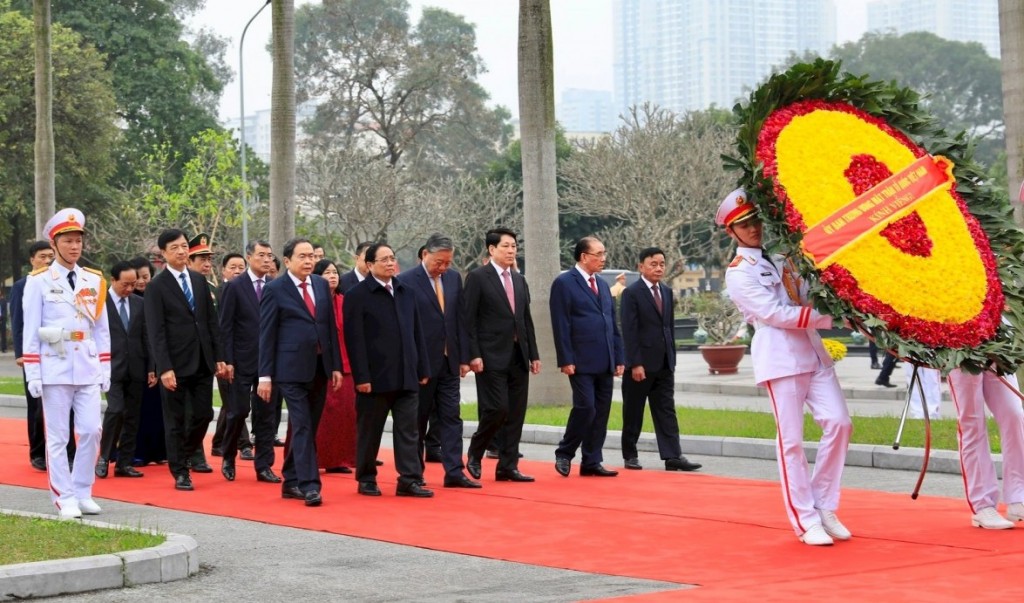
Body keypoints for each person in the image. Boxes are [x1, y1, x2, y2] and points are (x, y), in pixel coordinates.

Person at [719, 188, 853, 546]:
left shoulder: (781, 257)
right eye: (743, 225)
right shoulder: (739, 273)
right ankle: (805, 519)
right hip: (780, 357)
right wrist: (829, 317)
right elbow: (774, 313)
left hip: (813, 351)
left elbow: (806, 295)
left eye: (755, 220)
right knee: (791, 442)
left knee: (840, 423)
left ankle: (823, 503)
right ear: (731, 231)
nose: (753, 228)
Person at [22, 208, 111, 518]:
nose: (75, 247)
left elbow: (101, 328)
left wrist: (105, 366)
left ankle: (83, 490)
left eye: (78, 241)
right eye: (68, 241)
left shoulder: (93, 279)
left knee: (91, 430)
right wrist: (33, 372)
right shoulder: (39, 281)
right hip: (55, 365)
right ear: (54, 243)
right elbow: (31, 330)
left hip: (86, 365)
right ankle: (64, 497)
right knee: (58, 437)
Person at [257, 238, 343, 507]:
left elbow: (329, 328)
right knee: (303, 425)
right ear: (287, 261)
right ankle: (310, 486)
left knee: (308, 427)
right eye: (302, 256)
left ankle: (291, 480)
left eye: (311, 256)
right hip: (290, 370)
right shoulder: (274, 289)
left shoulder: (320, 284)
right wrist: (264, 376)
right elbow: (266, 334)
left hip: (319, 367)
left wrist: (335, 365)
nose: (309, 261)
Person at [343, 243, 432, 497]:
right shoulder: (357, 295)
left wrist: (422, 367)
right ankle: (366, 477)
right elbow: (354, 341)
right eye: (384, 260)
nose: (391, 263)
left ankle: (409, 479)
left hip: (406, 374)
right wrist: (361, 377)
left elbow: (417, 333)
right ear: (370, 265)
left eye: (392, 258)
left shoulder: (406, 291)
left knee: (409, 431)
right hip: (374, 378)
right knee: (370, 431)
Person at [145, 229, 225, 491]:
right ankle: (180, 472)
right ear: (163, 253)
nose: (181, 251)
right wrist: (164, 367)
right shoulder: (156, 286)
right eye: (175, 248)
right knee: (175, 420)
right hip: (175, 364)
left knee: (204, 414)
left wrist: (219, 356)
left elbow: (210, 322)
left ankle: (184, 453)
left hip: (202, 359)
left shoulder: (199, 280)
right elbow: (156, 331)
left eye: (183, 246)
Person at [463, 228, 541, 482]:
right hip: (490, 356)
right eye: (505, 246)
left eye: (514, 246)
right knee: (497, 408)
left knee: (516, 413)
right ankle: (476, 451)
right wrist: (473, 354)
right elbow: (469, 320)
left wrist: (534, 354)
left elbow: (525, 319)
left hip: (518, 355)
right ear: (492, 249)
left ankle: (508, 466)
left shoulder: (519, 280)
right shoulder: (478, 278)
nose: (511, 251)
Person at [619, 247, 702, 472]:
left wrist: (671, 358)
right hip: (640, 365)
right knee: (633, 411)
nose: (658, 268)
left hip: (664, 363)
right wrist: (635, 363)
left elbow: (669, 328)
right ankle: (630, 455)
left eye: (662, 264)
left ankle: (673, 456)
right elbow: (629, 331)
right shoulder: (632, 293)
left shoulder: (666, 291)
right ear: (641, 267)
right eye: (653, 264)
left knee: (666, 410)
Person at [407, 234, 478, 488]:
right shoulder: (406, 281)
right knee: (417, 420)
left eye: (448, 262)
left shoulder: (453, 278)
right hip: (422, 365)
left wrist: (463, 357)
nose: (444, 267)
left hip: (449, 362)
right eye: (439, 262)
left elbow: (459, 319)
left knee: (452, 417)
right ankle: (414, 474)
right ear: (425, 254)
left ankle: (454, 472)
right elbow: (406, 327)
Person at [551, 236, 625, 478]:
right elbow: (561, 324)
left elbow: (612, 324)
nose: (603, 258)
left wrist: (619, 357)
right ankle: (565, 452)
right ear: (584, 257)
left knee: (601, 412)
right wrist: (565, 359)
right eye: (598, 254)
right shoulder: (564, 283)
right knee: (586, 407)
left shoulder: (602, 285)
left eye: (604, 253)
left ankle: (592, 460)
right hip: (580, 360)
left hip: (605, 359)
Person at [219, 240, 281, 484]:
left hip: (269, 362)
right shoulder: (235, 287)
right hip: (241, 360)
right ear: (248, 257)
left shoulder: (275, 286)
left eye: (269, 255)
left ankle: (264, 465)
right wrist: (227, 360)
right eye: (261, 255)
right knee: (238, 411)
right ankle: (228, 455)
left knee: (266, 415)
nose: (266, 260)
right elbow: (226, 326)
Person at [946, 368, 1024, 529]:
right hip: (962, 359)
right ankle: (982, 504)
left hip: (998, 355)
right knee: (972, 421)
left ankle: (1018, 497)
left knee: (1014, 414)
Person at [96, 261, 152, 479]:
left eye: (133, 284)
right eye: (125, 284)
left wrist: (152, 367)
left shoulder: (139, 303)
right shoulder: (100, 303)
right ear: (113, 280)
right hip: (110, 367)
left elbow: (147, 337)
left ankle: (124, 462)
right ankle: (104, 457)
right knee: (116, 410)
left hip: (136, 367)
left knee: (132, 417)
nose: (129, 289)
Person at [11, 241, 61, 471]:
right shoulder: (22, 285)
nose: (47, 260)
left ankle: (62, 452)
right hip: (34, 354)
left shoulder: (59, 283)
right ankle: (38, 453)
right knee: (37, 406)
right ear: (32, 259)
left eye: (51, 255)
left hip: (58, 352)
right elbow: (18, 321)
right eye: (42, 256)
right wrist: (22, 353)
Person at [312, 259, 358, 475]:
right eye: (327, 273)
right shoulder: (314, 300)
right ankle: (312, 458)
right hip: (321, 362)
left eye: (335, 272)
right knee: (321, 415)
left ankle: (339, 459)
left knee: (345, 413)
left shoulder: (345, 300)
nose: (332, 276)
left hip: (346, 363)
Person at [128, 255, 166, 466]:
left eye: (146, 276)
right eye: (138, 277)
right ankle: (137, 451)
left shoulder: (157, 296)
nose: (142, 281)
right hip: (136, 361)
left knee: (157, 409)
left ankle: (159, 452)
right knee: (138, 410)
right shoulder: (128, 300)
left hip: (158, 360)